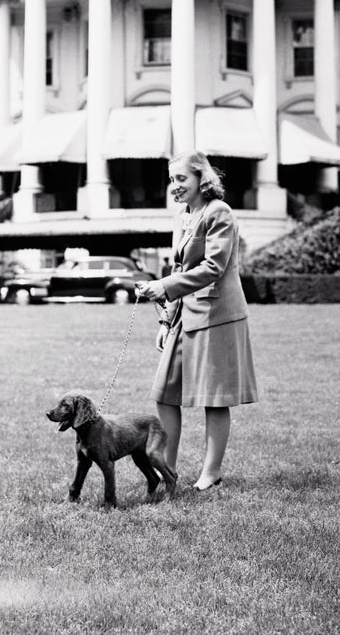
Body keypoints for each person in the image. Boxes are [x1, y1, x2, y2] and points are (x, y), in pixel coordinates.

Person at [136, 151, 258, 491]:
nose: (174, 186)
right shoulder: (183, 216)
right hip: (184, 314)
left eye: (181, 179)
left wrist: (163, 286)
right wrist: (165, 321)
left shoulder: (219, 212)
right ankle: (166, 468)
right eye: (171, 180)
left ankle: (211, 472)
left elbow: (213, 268)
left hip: (217, 316)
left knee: (213, 397)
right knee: (165, 393)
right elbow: (180, 270)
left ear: (201, 179)